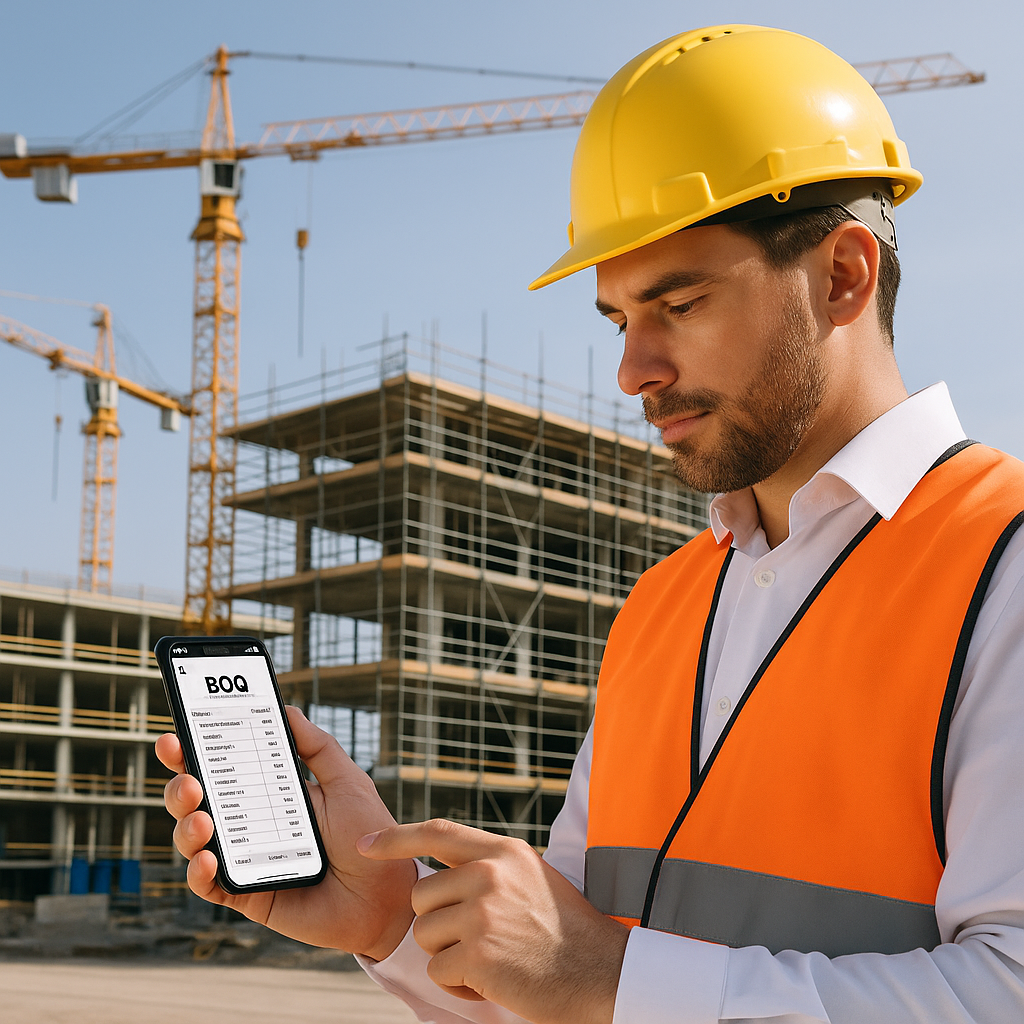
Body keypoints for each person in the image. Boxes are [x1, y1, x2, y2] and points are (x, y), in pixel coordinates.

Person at [158, 24, 1024, 1024]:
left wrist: (611, 975)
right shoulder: (660, 608)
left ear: (841, 274)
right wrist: (393, 924)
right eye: (618, 320)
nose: (633, 371)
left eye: (680, 302)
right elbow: (566, 991)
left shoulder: (1002, 563)